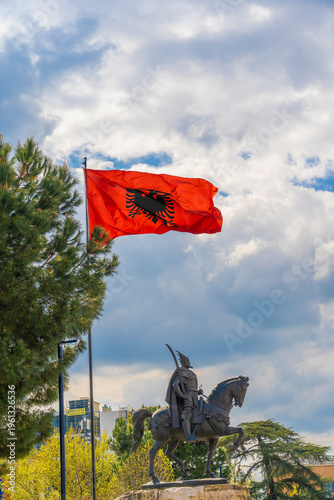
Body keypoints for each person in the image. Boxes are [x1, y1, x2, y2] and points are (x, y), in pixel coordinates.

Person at [165, 350, 203, 442]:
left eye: (188, 360)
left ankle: (200, 437)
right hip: (188, 398)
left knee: (201, 413)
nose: (188, 362)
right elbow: (175, 385)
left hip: (194, 397)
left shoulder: (191, 373)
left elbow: (191, 388)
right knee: (187, 415)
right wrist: (182, 395)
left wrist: (198, 392)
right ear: (184, 362)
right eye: (187, 360)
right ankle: (188, 436)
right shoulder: (181, 372)